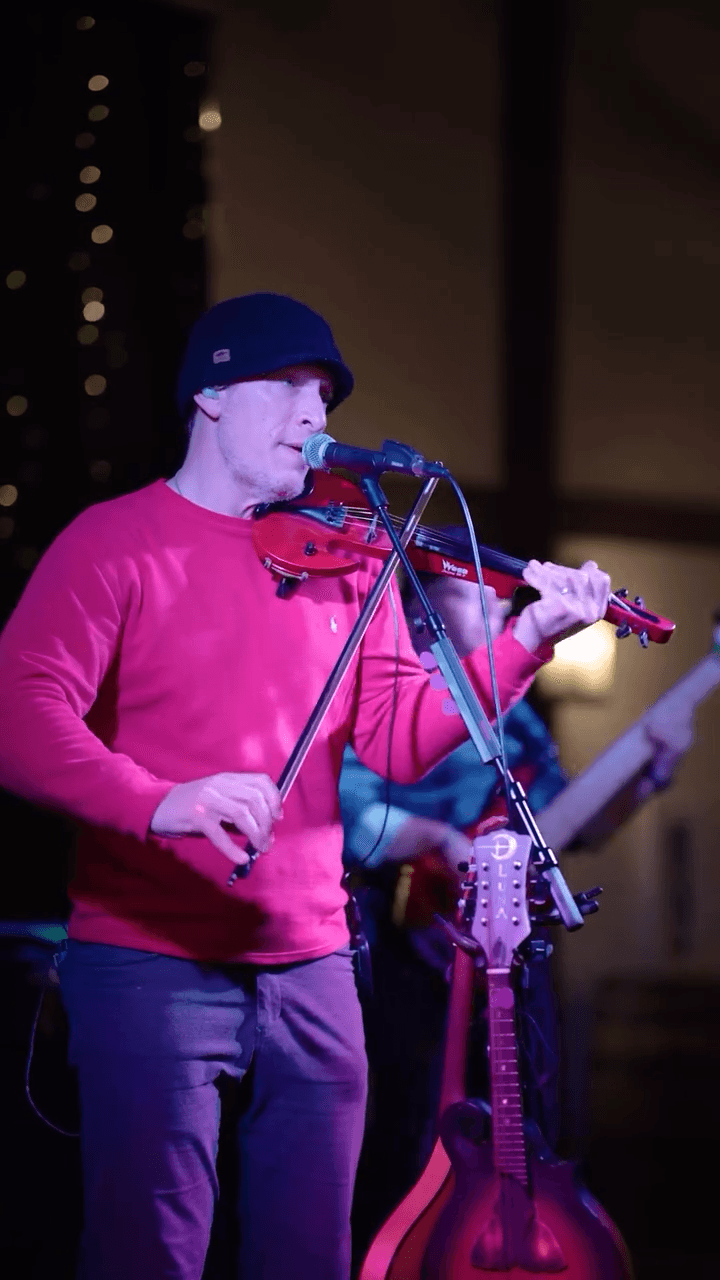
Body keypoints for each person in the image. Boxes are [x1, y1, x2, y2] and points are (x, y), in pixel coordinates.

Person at [0, 292, 612, 1280]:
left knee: (309, 1254)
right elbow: (18, 722)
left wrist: (526, 638)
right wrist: (162, 800)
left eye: (322, 395)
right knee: (147, 1253)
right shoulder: (112, 543)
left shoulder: (345, 565)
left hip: (317, 966)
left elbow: (404, 738)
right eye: (286, 386)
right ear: (207, 394)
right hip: (149, 961)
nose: (314, 415)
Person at [340, 569, 693, 1258]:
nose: (505, 608)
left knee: (528, 1112)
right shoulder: (393, 688)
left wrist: (646, 777)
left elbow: (567, 825)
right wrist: (440, 841)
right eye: (486, 602)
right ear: (427, 625)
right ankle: (410, 1257)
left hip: (508, 934)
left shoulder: (515, 712)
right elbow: (355, 813)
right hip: (412, 932)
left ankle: (517, 1247)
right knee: (412, 1124)